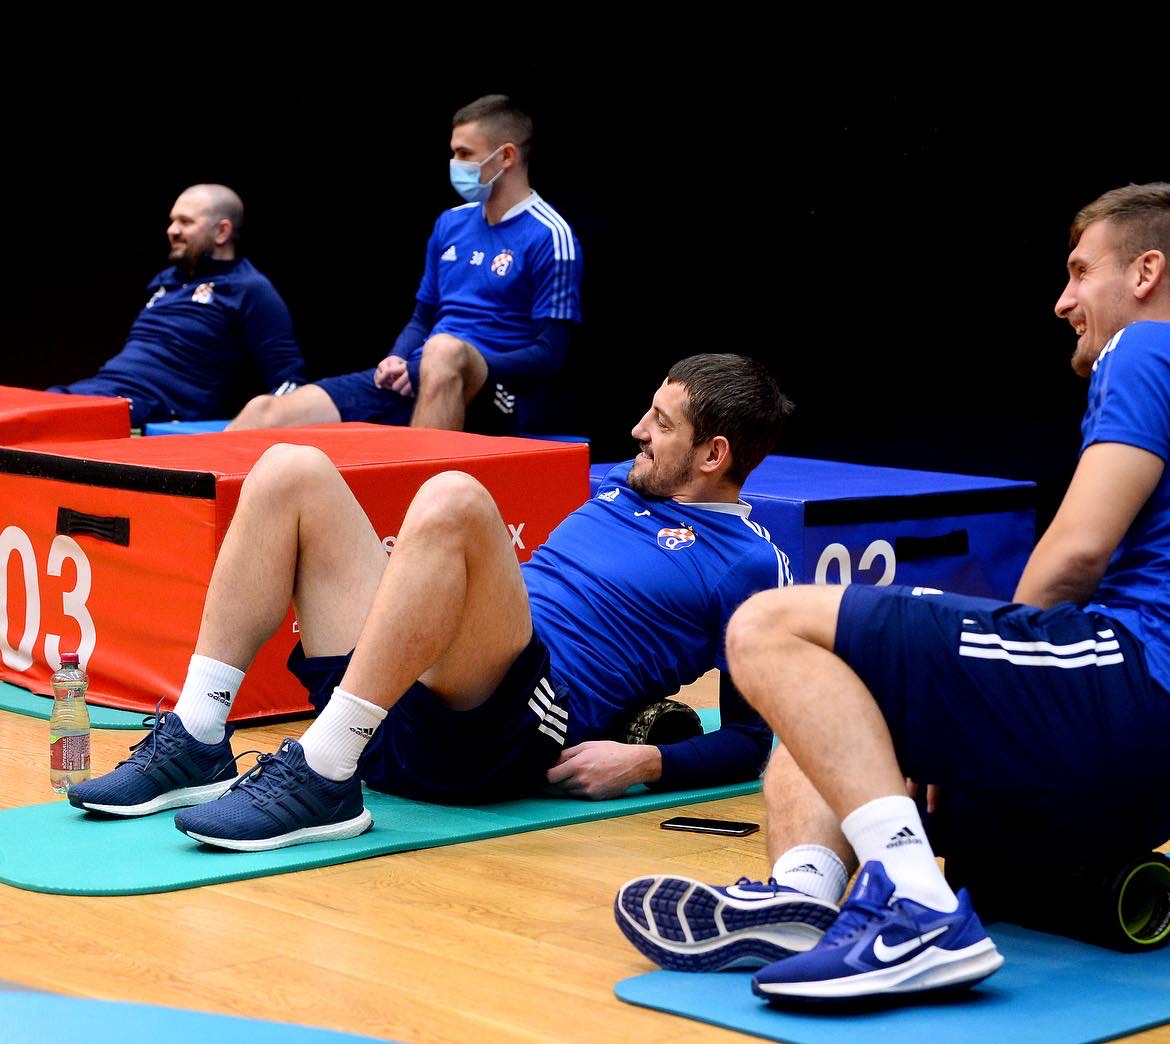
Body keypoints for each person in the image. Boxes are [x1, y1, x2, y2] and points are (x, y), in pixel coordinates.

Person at [613, 184, 1170, 1004]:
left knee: (770, 627)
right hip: (1149, 790)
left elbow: (1078, 549)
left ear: (1146, 273)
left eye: (1080, 271)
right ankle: (805, 900)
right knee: (828, 695)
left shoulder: (1150, 348)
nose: (1063, 300)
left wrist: (977, 694)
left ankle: (917, 912)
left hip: (1120, 699)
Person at [67, 353, 793, 852]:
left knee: (454, 499)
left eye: (662, 423)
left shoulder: (748, 562)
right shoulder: (621, 490)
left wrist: (646, 764)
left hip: (507, 730)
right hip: (398, 708)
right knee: (290, 467)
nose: (638, 430)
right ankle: (198, 734)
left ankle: (323, 776)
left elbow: (751, 738)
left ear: (713, 455)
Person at [228, 94, 582, 435]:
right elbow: (422, 317)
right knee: (263, 412)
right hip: (419, 374)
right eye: (453, 152)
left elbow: (549, 354)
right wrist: (397, 358)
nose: (455, 163)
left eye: (464, 153)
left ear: (505, 156)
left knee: (443, 349)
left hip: (497, 393)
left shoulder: (550, 234)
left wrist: (435, 364)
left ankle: (426, 476)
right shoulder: (450, 223)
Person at [47, 184, 306, 427]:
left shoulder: (249, 288)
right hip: (99, 390)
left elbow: (289, 383)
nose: (172, 230)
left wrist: (247, 428)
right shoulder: (165, 281)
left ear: (222, 231)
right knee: (32, 406)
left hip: (151, 410)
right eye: (172, 221)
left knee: (51, 420)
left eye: (186, 222)